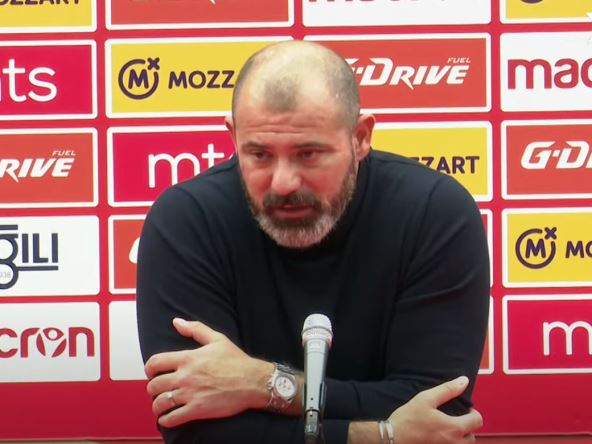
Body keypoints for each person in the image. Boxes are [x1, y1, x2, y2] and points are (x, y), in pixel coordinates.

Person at [136, 40, 490, 444]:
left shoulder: (434, 213)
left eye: (308, 154)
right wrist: (382, 435)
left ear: (360, 137)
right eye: (259, 154)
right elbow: (196, 431)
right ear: (233, 136)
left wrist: (266, 383)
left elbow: (439, 414)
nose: (284, 183)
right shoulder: (186, 221)